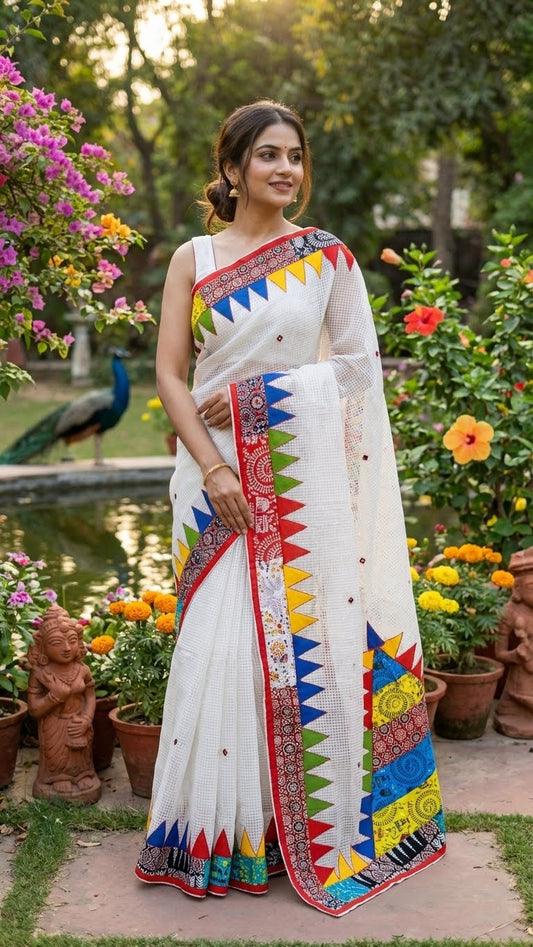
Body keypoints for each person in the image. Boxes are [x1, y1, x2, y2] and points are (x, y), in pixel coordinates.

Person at [135, 100, 445, 915]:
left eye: (295, 156)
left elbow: (356, 368)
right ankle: (211, 831)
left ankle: (289, 827)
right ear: (232, 168)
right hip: (213, 479)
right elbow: (170, 373)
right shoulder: (193, 257)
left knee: (300, 645)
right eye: (267, 155)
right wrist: (212, 468)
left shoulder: (326, 259)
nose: (284, 169)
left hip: (299, 481)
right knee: (217, 645)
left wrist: (253, 396)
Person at [26, 603, 101, 803]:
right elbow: (34, 709)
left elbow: (90, 697)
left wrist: (86, 719)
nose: (67, 648)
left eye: (72, 641)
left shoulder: (82, 669)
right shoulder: (41, 673)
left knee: (82, 754)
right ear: (42, 646)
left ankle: (83, 775)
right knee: (56, 756)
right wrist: (54, 696)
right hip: (54, 724)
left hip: (79, 720)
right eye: (57, 643)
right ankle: (57, 777)